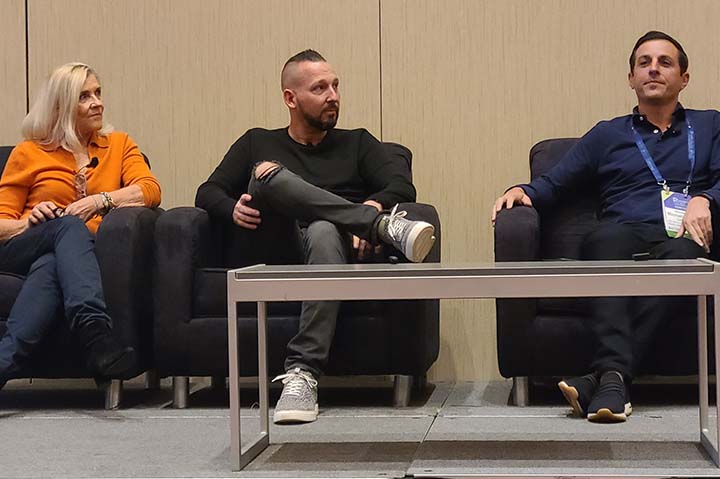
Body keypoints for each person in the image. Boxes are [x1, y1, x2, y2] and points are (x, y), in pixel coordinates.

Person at [196, 49, 436, 424]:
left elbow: (401, 184)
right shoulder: (257, 141)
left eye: (336, 86)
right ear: (291, 99)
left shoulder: (357, 142)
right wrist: (230, 209)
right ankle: (379, 228)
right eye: (320, 87)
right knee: (265, 173)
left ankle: (302, 374)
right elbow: (208, 191)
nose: (333, 95)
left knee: (324, 228)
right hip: (273, 243)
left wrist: (376, 201)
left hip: (330, 249)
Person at [492, 31, 720, 423]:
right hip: (623, 233)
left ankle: (605, 376)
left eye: (665, 62)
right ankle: (612, 376)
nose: (653, 69)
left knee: (685, 258)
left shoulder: (711, 125)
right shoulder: (608, 134)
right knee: (602, 240)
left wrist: (706, 199)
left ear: (684, 78)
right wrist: (522, 191)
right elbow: (554, 182)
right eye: (643, 62)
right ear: (630, 78)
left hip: (684, 236)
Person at [0, 62, 162, 389]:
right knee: (68, 226)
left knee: (53, 265)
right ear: (60, 106)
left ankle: (4, 361)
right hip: (25, 245)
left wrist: (99, 201)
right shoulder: (29, 153)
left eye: (98, 93)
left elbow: (149, 190)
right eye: (84, 96)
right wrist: (28, 221)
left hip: (79, 256)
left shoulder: (118, 145)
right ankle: (95, 333)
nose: (97, 102)